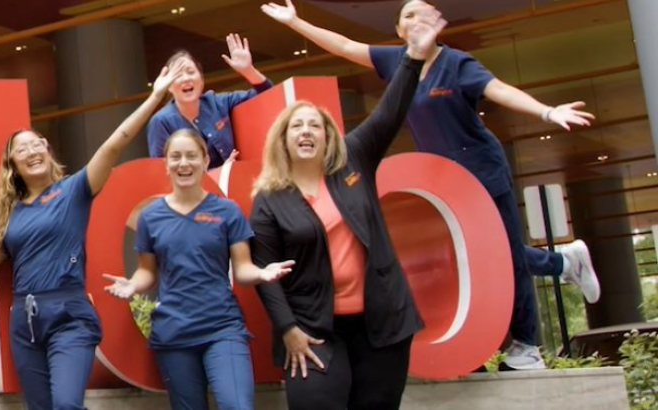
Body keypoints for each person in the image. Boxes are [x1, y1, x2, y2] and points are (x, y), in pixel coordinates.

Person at [262, 0, 600, 370]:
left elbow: (498, 88)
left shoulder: (456, 63)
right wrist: (296, 22)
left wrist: (547, 111)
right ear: (399, 30)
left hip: (481, 169)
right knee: (473, 253)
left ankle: (528, 343)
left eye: (424, 13)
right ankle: (563, 262)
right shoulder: (396, 61)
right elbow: (344, 46)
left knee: (504, 253)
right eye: (408, 14)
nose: (416, 19)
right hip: (442, 180)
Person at [0, 59, 195, 410]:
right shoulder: (8, 214)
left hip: (70, 316)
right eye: (22, 149)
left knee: (66, 404)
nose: (32, 151)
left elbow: (113, 144)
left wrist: (154, 98)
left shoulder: (74, 190)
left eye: (37, 144)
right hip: (25, 323)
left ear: (47, 150)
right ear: (13, 166)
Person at [250, 10, 440, 410]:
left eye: (314, 126)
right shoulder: (268, 198)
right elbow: (266, 275)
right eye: (296, 126)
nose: (306, 132)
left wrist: (413, 58)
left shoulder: (354, 158)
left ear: (328, 136)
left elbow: (390, 111)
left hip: (381, 325)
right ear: (282, 140)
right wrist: (287, 329)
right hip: (314, 331)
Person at [101, 130, 295, 410]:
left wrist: (262, 273)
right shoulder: (151, 218)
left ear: (205, 160)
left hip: (222, 327)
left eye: (192, 156)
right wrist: (132, 285)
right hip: (173, 334)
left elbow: (242, 270)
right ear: (165, 164)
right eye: (176, 157)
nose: (184, 163)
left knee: (237, 405)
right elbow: (147, 272)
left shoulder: (228, 211)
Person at [145, 35, 275, 169]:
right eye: (177, 75)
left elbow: (268, 94)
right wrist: (220, 172)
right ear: (169, 87)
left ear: (201, 80)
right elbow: (162, 173)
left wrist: (248, 70)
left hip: (235, 183)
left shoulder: (218, 102)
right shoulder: (161, 122)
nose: (185, 79)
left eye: (190, 72)